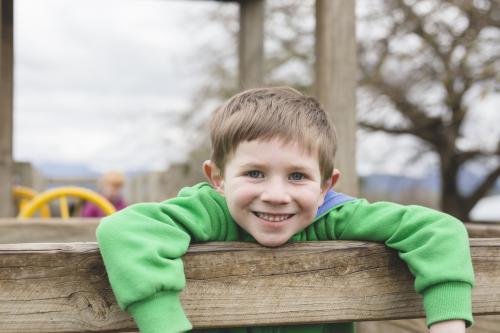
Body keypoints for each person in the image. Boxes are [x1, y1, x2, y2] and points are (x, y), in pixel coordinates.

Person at [97, 87, 474, 333]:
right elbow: (124, 230)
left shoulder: (334, 217)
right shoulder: (208, 211)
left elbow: (439, 231)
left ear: (326, 185)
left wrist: (447, 323)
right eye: (254, 173)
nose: (276, 195)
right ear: (218, 178)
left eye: (297, 176)